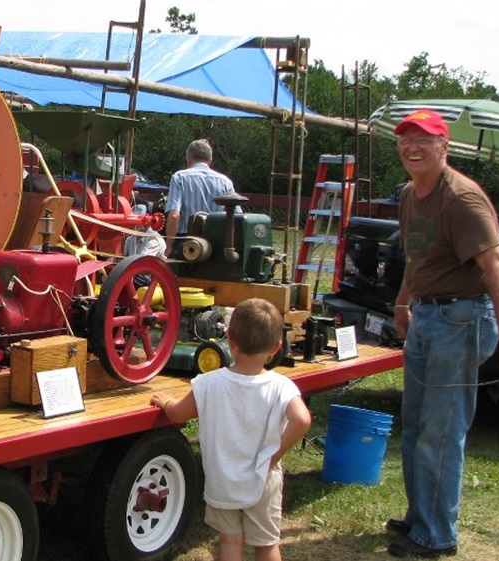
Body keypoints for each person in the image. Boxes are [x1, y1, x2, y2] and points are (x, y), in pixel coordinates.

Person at [387, 109, 499, 558]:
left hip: (462, 320)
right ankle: (421, 516)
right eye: (405, 140)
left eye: (423, 140)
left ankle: (437, 536)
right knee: (415, 425)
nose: (412, 148)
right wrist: (402, 301)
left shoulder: (462, 200)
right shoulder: (411, 195)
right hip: (427, 318)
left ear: (444, 146)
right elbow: (418, 258)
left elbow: (498, 268)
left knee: (442, 430)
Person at [150, 298, 311, 561]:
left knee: (230, 540)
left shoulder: (208, 383)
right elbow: (302, 420)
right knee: (266, 544)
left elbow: (179, 413)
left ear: (229, 340)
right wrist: (275, 456)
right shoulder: (281, 386)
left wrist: (165, 401)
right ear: (276, 347)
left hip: (223, 479)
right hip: (263, 478)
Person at [164, 139, 235, 258]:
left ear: (188, 158)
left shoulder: (179, 178)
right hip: (216, 245)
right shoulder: (225, 182)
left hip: (186, 244)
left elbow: (175, 215)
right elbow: (235, 216)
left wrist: (169, 245)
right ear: (210, 160)